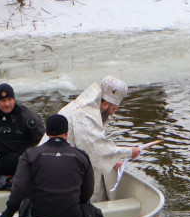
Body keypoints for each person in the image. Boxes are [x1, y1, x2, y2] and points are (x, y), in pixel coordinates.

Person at [0, 113, 100, 217]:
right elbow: (88, 191)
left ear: (47, 133)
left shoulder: (29, 155)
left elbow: (19, 188)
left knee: (27, 201)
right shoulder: (82, 156)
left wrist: (8, 212)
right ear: (67, 133)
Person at [56, 75, 143, 203]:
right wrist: (129, 152)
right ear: (105, 104)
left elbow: (94, 143)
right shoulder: (85, 115)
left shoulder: (86, 108)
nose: (113, 113)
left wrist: (114, 161)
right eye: (113, 109)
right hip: (63, 169)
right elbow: (96, 150)